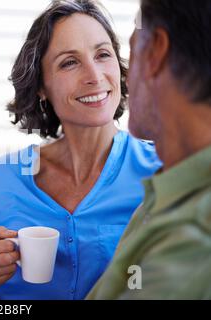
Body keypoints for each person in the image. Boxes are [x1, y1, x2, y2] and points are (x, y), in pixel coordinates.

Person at [0, 0, 161, 300]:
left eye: (103, 54)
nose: (94, 75)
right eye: (69, 62)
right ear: (42, 87)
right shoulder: (6, 176)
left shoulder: (162, 169)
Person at [87, 0, 211, 299]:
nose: (124, 78)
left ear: (155, 50)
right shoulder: (162, 197)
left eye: (129, 51)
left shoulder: (193, 243)